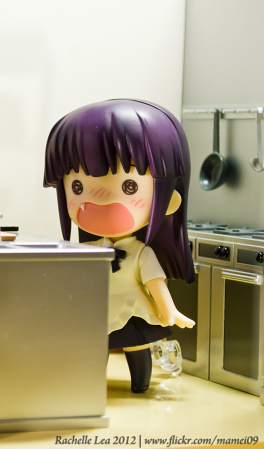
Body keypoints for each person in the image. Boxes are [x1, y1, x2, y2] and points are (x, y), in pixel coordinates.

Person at [43, 99, 195, 393]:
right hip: (99, 312)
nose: (98, 201)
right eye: (77, 187)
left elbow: (155, 284)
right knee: (96, 346)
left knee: (136, 346)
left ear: (168, 200)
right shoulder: (89, 250)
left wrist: (170, 311)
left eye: (129, 186)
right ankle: (91, 386)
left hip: (133, 310)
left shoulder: (142, 253)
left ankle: (140, 384)